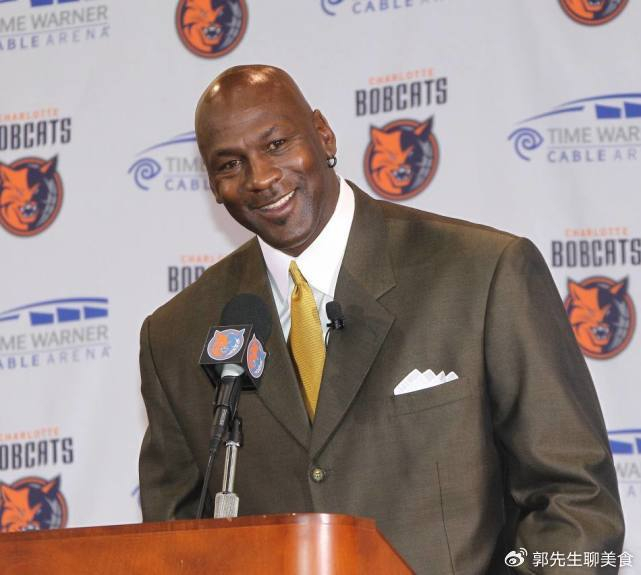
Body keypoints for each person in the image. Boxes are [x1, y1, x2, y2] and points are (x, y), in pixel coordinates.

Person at [139, 65, 624, 574]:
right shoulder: (175, 336)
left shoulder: (482, 273)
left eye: (277, 144)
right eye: (230, 164)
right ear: (213, 186)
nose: (260, 178)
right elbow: (170, 547)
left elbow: (576, 502)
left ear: (323, 134)